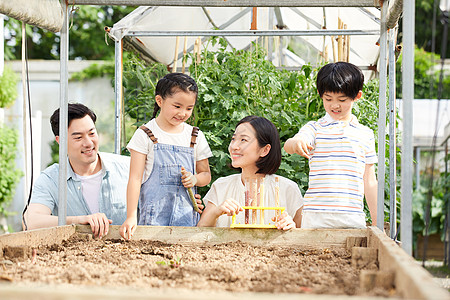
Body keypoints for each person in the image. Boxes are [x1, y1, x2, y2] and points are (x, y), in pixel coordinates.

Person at [284, 62, 378, 229]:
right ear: (320, 95)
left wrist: (377, 223)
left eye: (342, 99)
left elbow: (369, 181)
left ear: (357, 96)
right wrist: (296, 143)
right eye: (328, 99)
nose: (335, 105)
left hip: (352, 216)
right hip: (315, 217)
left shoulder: (365, 134)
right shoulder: (314, 128)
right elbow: (289, 145)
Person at [120, 73, 212, 239]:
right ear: (160, 101)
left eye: (189, 108)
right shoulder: (145, 134)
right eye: (177, 106)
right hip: (153, 221)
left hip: (187, 222)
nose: (183, 113)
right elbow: (134, 179)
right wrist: (131, 216)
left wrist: (195, 179)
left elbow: (206, 176)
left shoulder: (195, 136)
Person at [24, 103, 130, 238]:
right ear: (60, 141)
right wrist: (77, 220)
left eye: (92, 133)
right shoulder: (51, 179)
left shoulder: (126, 168)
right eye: (78, 137)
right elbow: (29, 222)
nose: (89, 143)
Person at [197, 116, 303, 230]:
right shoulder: (221, 186)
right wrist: (216, 212)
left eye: (243, 140)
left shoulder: (288, 189)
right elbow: (200, 231)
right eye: (233, 139)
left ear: (265, 150)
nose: (234, 146)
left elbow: (304, 236)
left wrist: (292, 227)